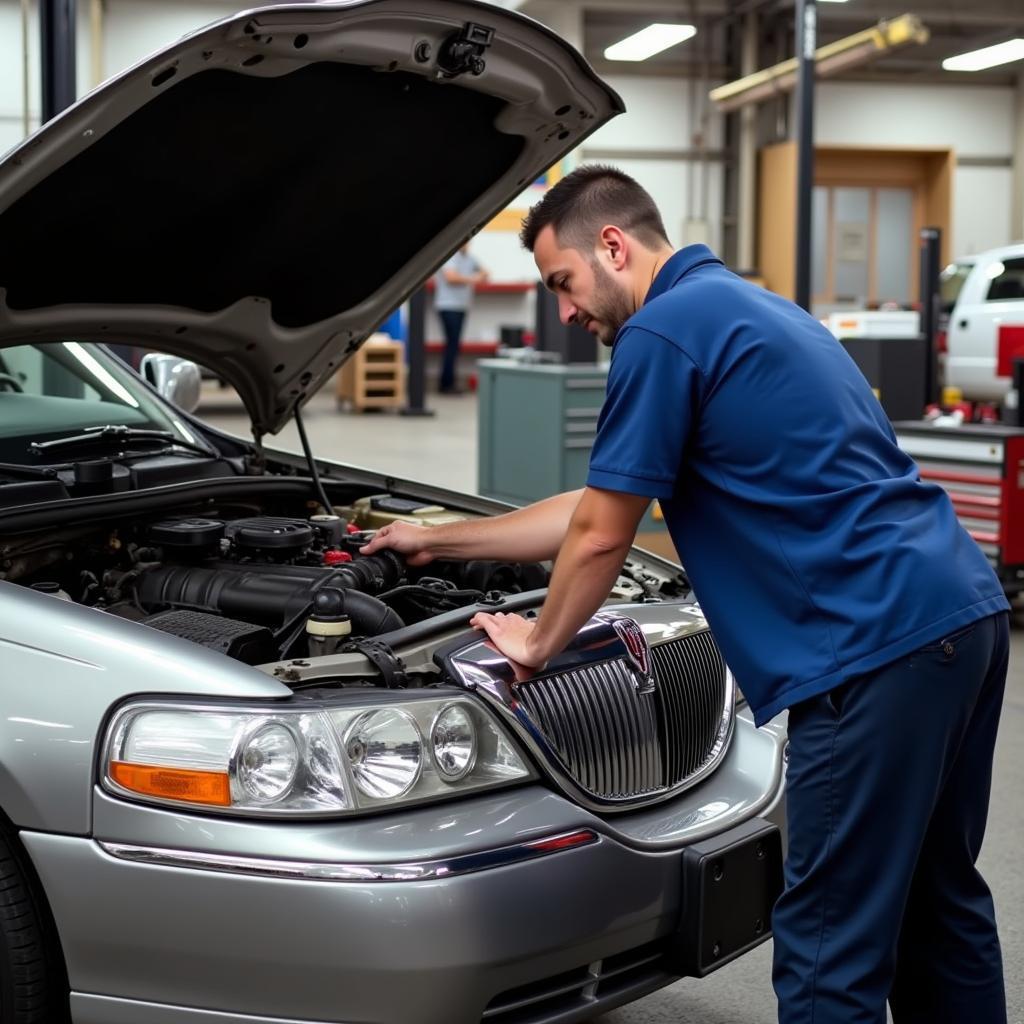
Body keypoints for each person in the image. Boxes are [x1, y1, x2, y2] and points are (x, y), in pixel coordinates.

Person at [362, 165, 1009, 1024]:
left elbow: (601, 536)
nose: (564, 312)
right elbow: (598, 504)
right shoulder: (751, 308)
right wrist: (434, 538)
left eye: (562, 282)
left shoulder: (660, 333)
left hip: (869, 649)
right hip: (960, 616)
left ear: (614, 246)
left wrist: (539, 640)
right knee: (941, 908)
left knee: (827, 949)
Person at [433, 243, 488, 394]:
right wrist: (472, 279)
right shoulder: (450, 257)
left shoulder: (470, 258)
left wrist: (474, 277)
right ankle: (446, 384)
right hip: (447, 306)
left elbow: (485, 272)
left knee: (455, 346)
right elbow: (451, 278)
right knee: (452, 345)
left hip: (462, 306)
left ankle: (448, 382)